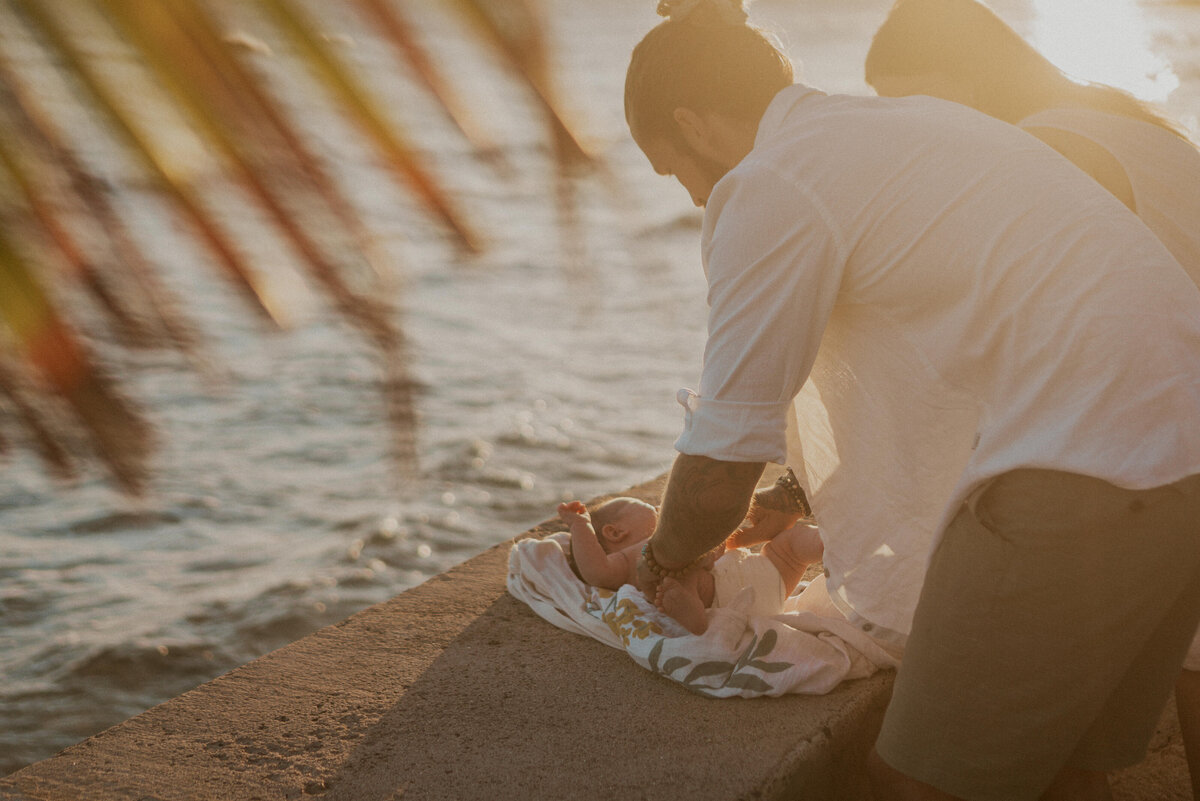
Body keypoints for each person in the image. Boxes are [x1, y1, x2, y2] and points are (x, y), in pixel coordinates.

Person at [622, 0, 1200, 798]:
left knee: (911, 783)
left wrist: (659, 560)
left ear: (692, 122)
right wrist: (795, 492)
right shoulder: (910, 129)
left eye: (672, 169)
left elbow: (723, 459)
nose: (691, 196)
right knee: (1066, 772)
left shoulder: (773, 180)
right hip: (1182, 452)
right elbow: (964, 340)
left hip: (1088, 465)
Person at [864, 2, 1200, 796]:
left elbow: (1066, 353)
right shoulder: (1117, 122)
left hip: (1161, 443)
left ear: (973, 79)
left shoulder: (1048, 150)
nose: (914, 130)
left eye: (919, 103)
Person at [557, 491, 823, 634]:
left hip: (765, 582)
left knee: (790, 543)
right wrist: (580, 526)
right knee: (667, 573)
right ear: (615, 532)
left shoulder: (676, 539)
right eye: (648, 508)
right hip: (711, 596)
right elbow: (595, 572)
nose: (659, 509)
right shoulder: (625, 560)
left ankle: (832, 546)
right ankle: (691, 611)